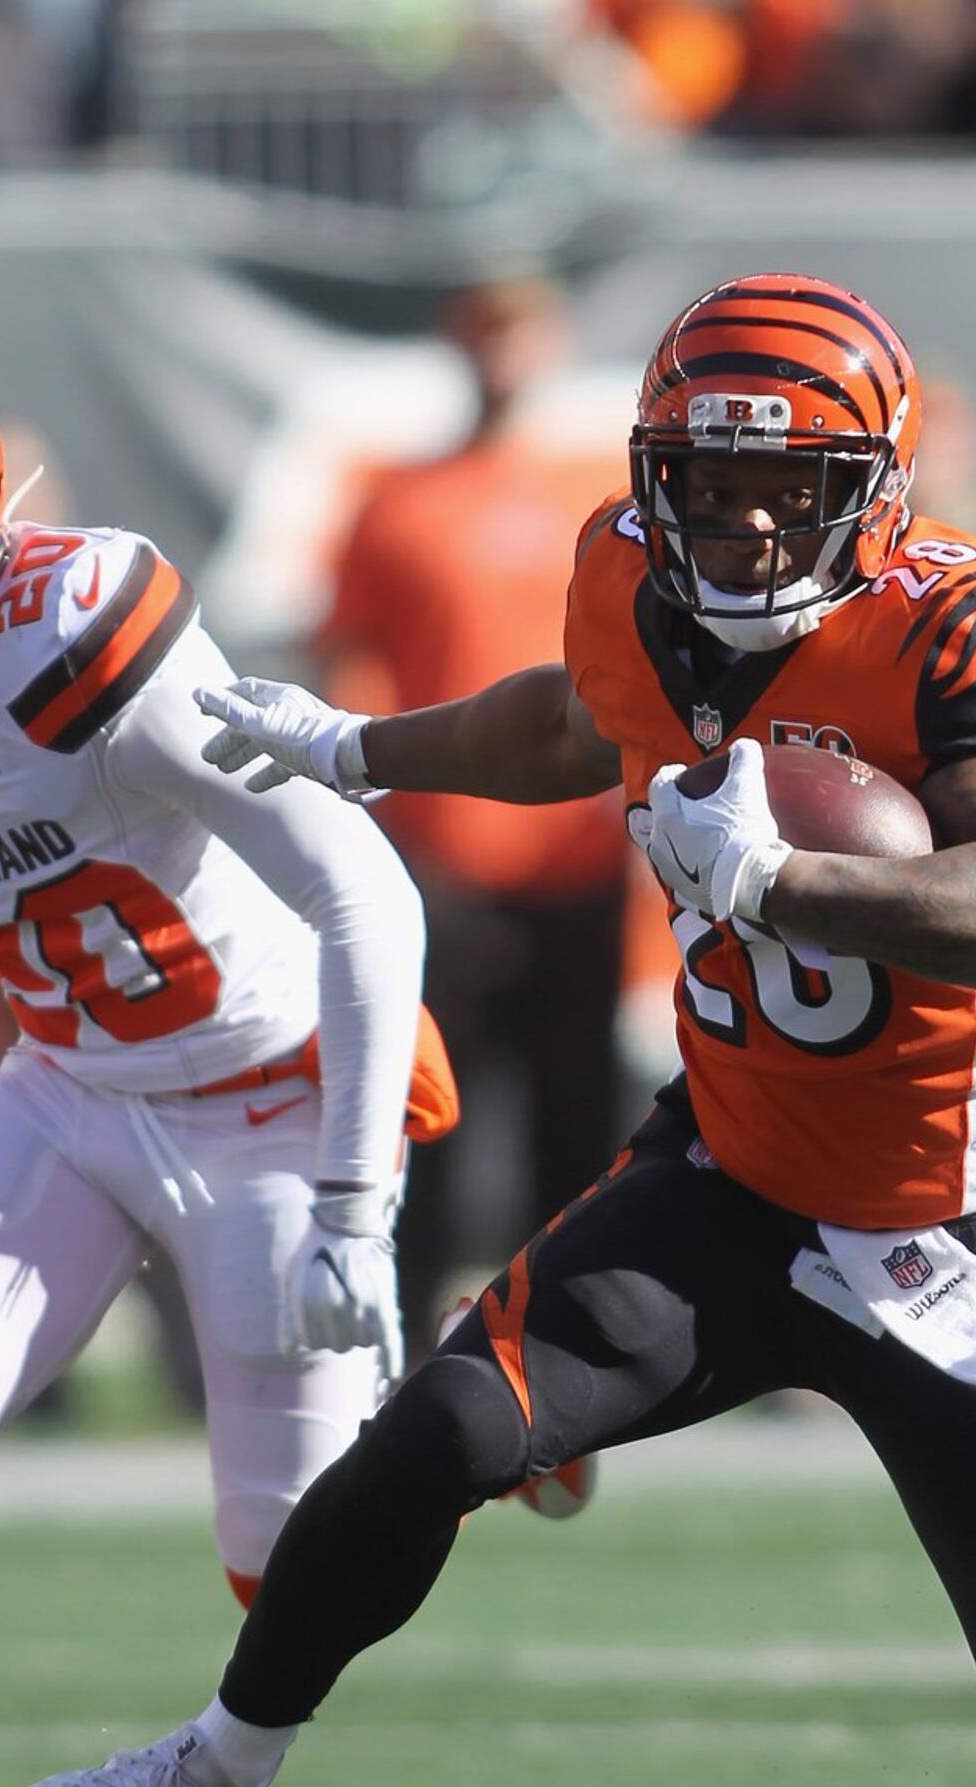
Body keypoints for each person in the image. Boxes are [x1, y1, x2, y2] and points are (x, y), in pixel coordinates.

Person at [0, 273, 976, 1787]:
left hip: (961, 1233)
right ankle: (214, 1767)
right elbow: (575, 725)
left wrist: (784, 883)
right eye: (708, 474)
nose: (747, 512)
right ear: (656, 466)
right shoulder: (632, 568)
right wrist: (354, 748)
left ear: (880, 481)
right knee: (441, 1435)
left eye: (791, 480)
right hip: (727, 1172)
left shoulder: (970, 629)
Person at [0, 326, 459, 1676]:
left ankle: (486, 1421)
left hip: (270, 1098)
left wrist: (350, 1206)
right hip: (63, 1092)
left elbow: (362, 891)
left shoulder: (63, 635)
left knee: (294, 1583)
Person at [318, 273, 635, 1361]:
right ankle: (396, 1360)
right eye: (485, 328)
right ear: (455, 340)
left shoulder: (597, 497)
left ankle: (571, 1369)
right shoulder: (396, 499)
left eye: (522, 327)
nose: (503, 352)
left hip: (576, 863)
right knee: (426, 1125)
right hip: (439, 871)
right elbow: (349, 677)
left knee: (576, 1134)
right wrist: (385, 843)